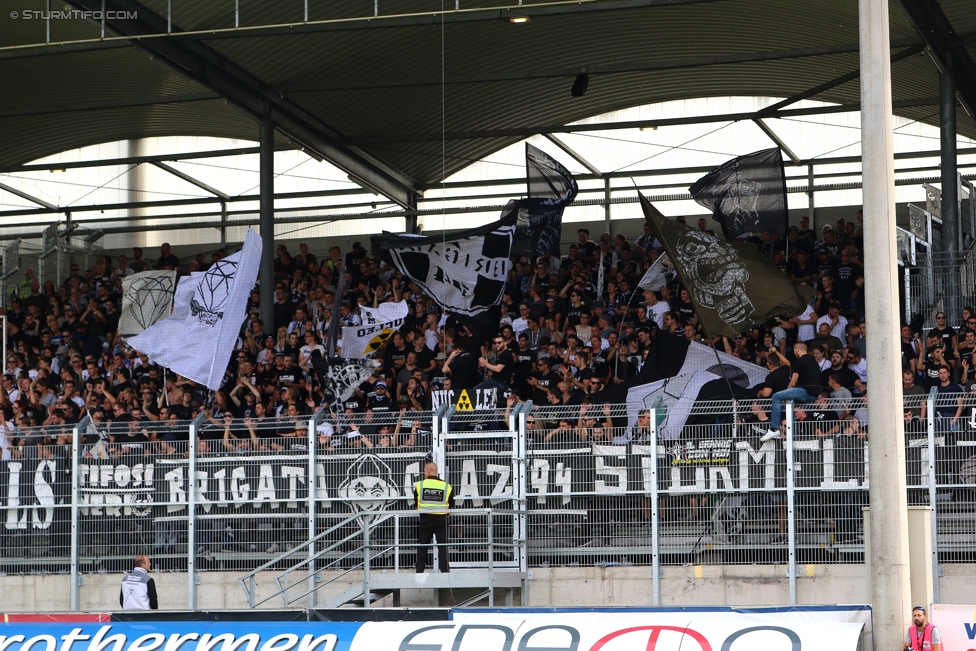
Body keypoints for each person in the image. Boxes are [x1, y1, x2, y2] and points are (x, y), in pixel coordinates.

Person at [414, 461, 455, 574]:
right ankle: (445, 572)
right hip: (441, 520)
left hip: (425, 520)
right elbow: (450, 505)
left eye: (424, 471)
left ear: (428, 472)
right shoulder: (447, 486)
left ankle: (419, 572)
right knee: (442, 546)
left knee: (422, 547)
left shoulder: (419, 485)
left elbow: (416, 505)